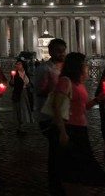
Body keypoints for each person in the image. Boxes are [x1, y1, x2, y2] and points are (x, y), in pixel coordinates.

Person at [53, 53, 105, 193]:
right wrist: (62, 132)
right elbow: (57, 107)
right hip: (70, 129)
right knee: (74, 167)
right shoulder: (65, 81)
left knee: (80, 167)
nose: (87, 66)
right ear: (77, 66)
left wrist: (98, 99)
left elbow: (84, 106)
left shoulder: (79, 83)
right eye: (84, 64)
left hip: (81, 128)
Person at [33, 38, 67, 196]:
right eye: (59, 50)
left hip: (65, 114)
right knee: (56, 150)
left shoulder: (66, 68)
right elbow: (39, 91)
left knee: (62, 150)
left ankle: (61, 179)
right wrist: (57, 91)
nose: (62, 53)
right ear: (51, 51)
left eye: (63, 50)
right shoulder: (43, 69)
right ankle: (55, 182)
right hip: (49, 116)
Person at [9, 58, 33, 135]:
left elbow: (30, 83)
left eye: (18, 64)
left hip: (26, 93)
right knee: (19, 110)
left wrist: (29, 85)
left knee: (24, 110)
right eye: (16, 64)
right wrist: (12, 81)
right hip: (18, 93)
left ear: (23, 65)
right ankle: (20, 127)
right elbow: (12, 84)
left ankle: (22, 125)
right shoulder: (14, 74)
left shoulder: (26, 73)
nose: (17, 65)